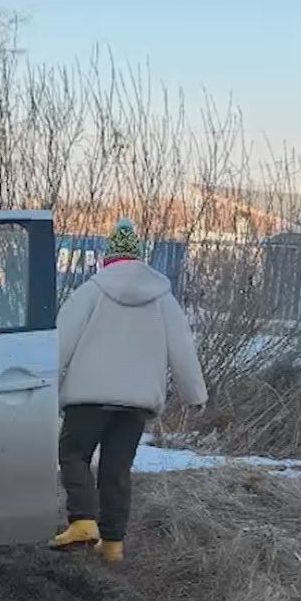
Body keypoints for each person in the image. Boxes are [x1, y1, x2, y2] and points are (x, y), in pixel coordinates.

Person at [50, 218, 207, 563]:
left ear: (108, 260)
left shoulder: (91, 290)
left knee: (73, 454)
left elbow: (61, 341)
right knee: (116, 471)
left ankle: (83, 522)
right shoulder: (163, 299)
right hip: (136, 402)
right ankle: (113, 546)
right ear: (140, 260)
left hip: (88, 398)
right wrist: (194, 394)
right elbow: (182, 349)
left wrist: (42, 378)